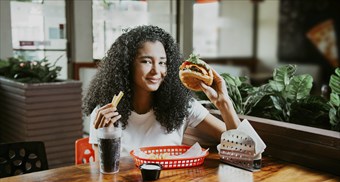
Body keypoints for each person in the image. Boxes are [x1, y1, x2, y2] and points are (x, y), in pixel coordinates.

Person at [83, 25, 240, 158]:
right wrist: (107, 135)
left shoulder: (182, 105)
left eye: (162, 63)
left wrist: (224, 104)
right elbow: (101, 176)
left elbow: (240, 145)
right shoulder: (106, 111)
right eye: (146, 61)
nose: (156, 71)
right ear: (127, 65)